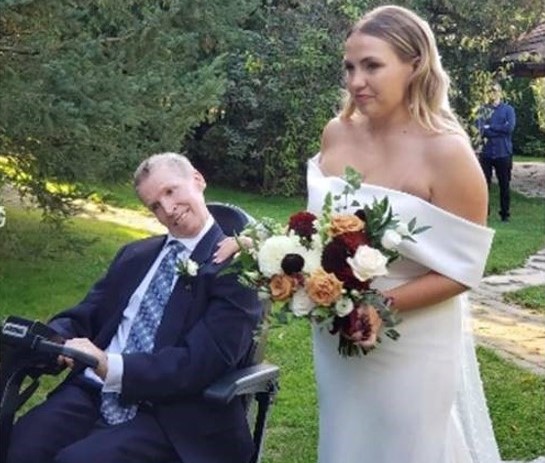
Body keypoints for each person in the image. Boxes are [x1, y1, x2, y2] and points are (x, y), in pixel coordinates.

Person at [216, 5, 501, 462]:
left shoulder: (448, 153)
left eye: (372, 65)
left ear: (415, 65)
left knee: (411, 447)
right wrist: (274, 256)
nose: (355, 81)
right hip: (335, 333)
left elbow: (465, 270)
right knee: (347, 441)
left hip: (413, 339)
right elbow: (314, 229)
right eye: (349, 66)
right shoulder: (337, 134)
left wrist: (380, 306)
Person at [6, 153, 262, 463]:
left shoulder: (237, 266)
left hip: (173, 414)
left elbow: (203, 362)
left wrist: (111, 365)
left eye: (171, 191)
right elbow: (86, 314)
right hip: (93, 391)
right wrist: (56, 338)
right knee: (19, 445)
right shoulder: (135, 255)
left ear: (197, 179)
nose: (167, 209)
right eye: (155, 205)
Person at [476, 82, 517, 222]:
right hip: (486, 153)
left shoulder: (508, 110)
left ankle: (505, 214)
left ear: (500, 92)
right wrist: (498, 128)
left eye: (495, 90)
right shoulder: (483, 110)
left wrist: (490, 127)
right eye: (490, 91)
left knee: (504, 185)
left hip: (503, 153)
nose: (493, 93)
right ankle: (484, 213)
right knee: (484, 185)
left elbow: (509, 128)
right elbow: (481, 130)